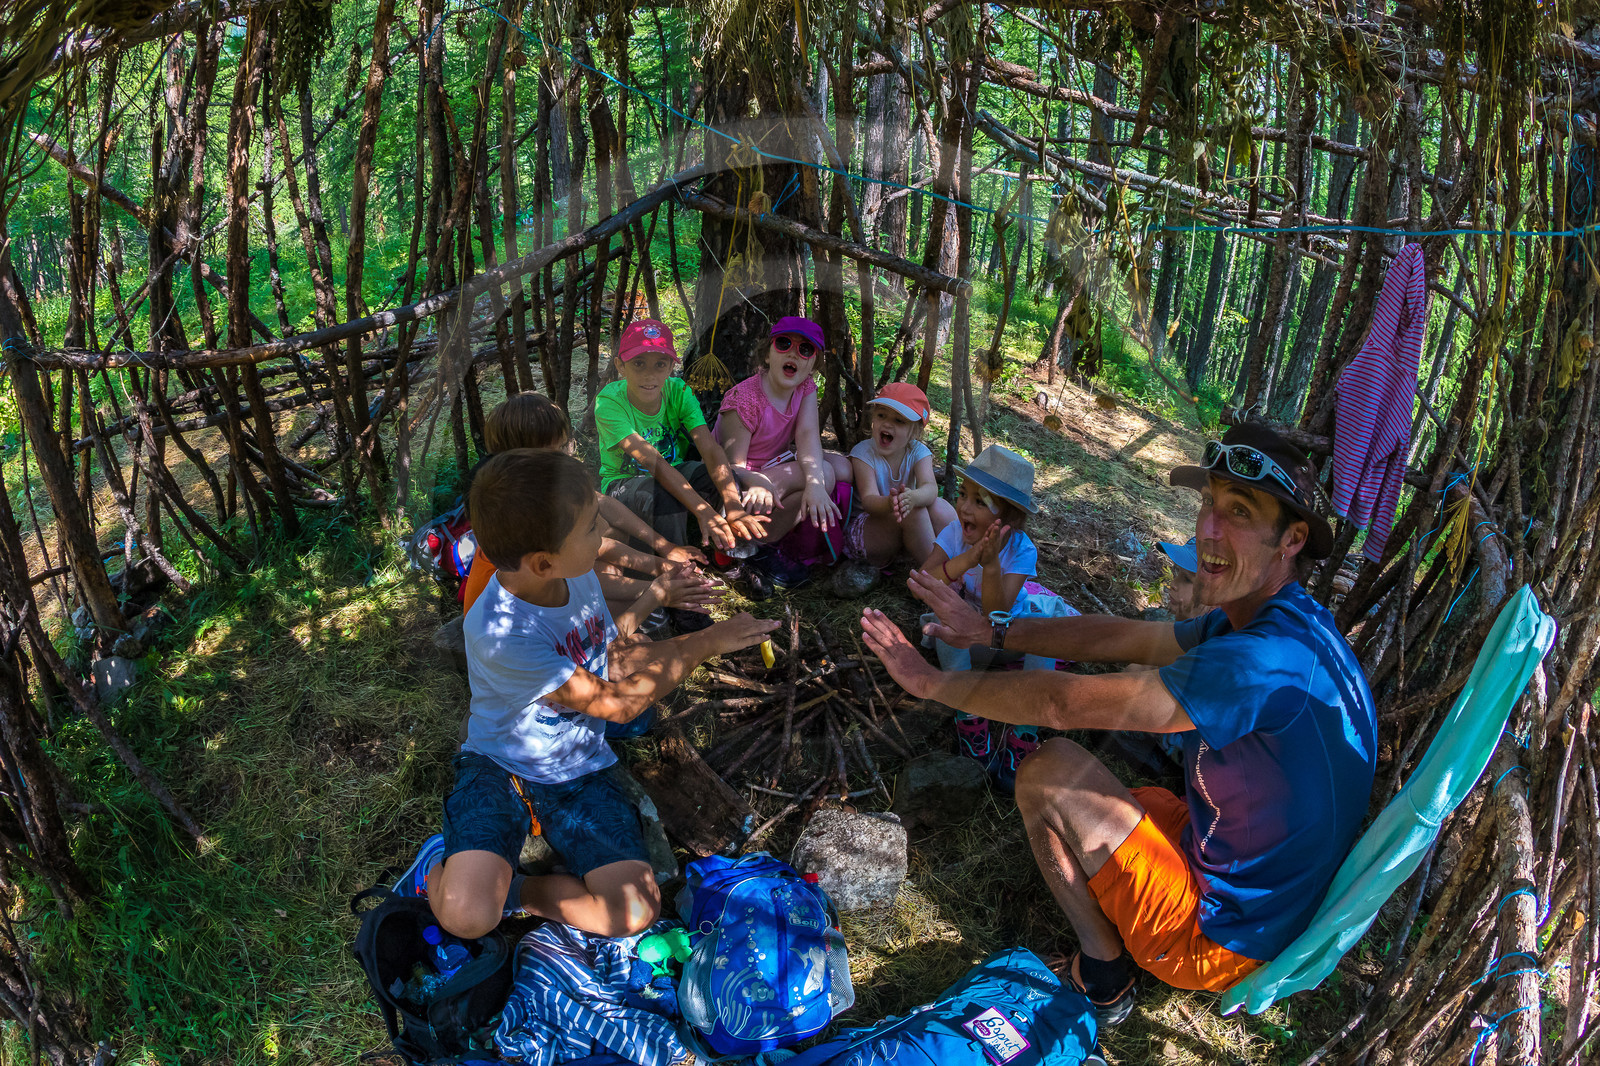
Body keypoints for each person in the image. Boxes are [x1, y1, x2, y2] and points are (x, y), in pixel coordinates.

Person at [859, 425, 1375, 1026]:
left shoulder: (1259, 659)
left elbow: (1062, 706)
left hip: (1228, 937)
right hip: (1263, 892)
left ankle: (1105, 975)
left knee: (1050, 771)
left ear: (1292, 540)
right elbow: (1130, 634)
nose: (1209, 527)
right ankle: (1131, 924)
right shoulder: (1279, 620)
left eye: (1239, 511)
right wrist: (994, 630)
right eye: (1210, 501)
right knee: (1146, 797)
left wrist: (930, 683)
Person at [394, 449, 779, 940]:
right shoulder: (501, 632)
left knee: (635, 913)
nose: (602, 537)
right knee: (467, 918)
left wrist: (656, 594)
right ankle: (455, 872)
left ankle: (519, 892)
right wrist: (708, 641)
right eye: (592, 529)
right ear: (543, 561)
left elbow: (603, 649)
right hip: (502, 768)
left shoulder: (571, 577)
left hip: (578, 767)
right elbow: (618, 705)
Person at [460, 391, 718, 632]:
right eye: (558, 449)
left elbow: (603, 507)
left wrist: (664, 551)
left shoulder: (535, 479)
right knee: (600, 542)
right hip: (516, 616)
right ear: (526, 455)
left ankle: (635, 615)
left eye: (564, 445)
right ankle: (633, 621)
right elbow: (580, 574)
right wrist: (656, 590)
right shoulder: (521, 503)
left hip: (545, 587)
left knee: (605, 528)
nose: (567, 454)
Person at [919, 444, 1080, 790]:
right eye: (964, 495)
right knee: (940, 616)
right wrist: (967, 560)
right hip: (966, 640)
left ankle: (1024, 731)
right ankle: (969, 717)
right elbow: (922, 582)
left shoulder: (1021, 550)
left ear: (1008, 519)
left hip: (1009, 639)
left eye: (980, 502)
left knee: (1045, 632)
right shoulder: (953, 535)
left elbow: (998, 616)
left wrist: (990, 564)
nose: (964, 506)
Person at [595, 319, 768, 557]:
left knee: (722, 478)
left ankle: (726, 555)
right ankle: (676, 567)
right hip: (623, 482)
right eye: (639, 364)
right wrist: (703, 510)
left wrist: (734, 506)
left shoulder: (679, 391)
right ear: (620, 366)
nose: (649, 374)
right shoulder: (609, 402)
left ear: (670, 368)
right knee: (662, 496)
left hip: (674, 469)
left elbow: (710, 449)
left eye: (659, 365)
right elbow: (652, 461)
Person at [714, 316, 853, 592]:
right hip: (735, 487)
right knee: (824, 473)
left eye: (805, 350)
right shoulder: (744, 400)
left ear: (813, 363)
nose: (793, 353)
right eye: (784, 343)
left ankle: (780, 536)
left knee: (841, 469)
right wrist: (762, 481)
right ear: (767, 353)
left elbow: (807, 439)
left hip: (772, 467)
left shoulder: (804, 388)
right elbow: (729, 470)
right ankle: (757, 549)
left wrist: (814, 486)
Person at [844, 383, 957, 567]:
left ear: (915, 431)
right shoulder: (864, 453)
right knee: (911, 509)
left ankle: (962, 563)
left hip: (902, 528)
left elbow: (930, 487)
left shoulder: (918, 453)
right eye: (881, 415)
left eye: (899, 420)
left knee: (941, 507)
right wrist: (891, 502)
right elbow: (869, 500)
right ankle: (937, 577)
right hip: (866, 534)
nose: (887, 423)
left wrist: (913, 496)